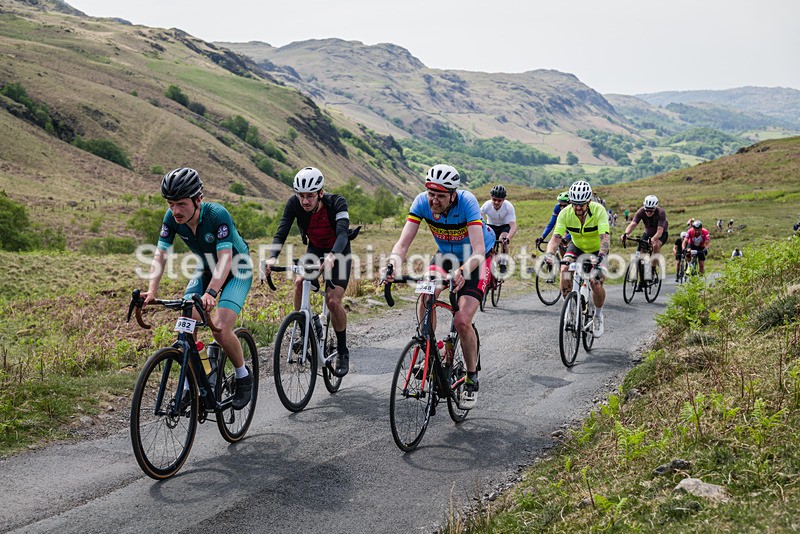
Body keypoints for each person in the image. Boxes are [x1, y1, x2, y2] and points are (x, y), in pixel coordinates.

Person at [143, 167, 253, 409]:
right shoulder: (171, 218)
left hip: (237, 269)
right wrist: (151, 291)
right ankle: (192, 383)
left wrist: (211, 293)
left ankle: (244, 376)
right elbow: (161, 254)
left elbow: (225, 258)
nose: (176, 211)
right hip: (206, 268)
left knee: (220, 329)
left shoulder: (217, 215)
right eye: (171, 204)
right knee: (186, 324)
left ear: (198, 199)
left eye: (181, 204)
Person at [386, 164, 495, 409]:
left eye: (441, 196)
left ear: (453, 195)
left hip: (476, 259)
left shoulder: (467, 202)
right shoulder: (421, 203)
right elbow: (402, 245)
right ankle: (428, 348)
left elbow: (478, 250)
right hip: (446, 255)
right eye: (431, 194)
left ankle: (471, 377)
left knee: (462, 320)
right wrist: (392, 265)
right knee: (426, 293)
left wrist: (462, 272)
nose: (434, 201)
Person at [262, 167, 355, 377]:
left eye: (310, 196)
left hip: (339, 252)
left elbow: (342, 234)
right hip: (314, 250)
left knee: (332, 301)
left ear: (320, 193)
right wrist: (272, 257)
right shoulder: (293, 203)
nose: (305, 201)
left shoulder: (337, 202)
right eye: (301, 196)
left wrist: (332, 255)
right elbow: (282, 230)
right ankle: (307, 329)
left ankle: (342, 351)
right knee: (299, 282)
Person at [544, 180, 610, 337]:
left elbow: (605, 238)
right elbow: (556, 237)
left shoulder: (598, 210)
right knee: (565, 269)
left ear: (589, 201)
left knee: (596, 283)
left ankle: (598, 315)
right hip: (577, 247)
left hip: (597, 249)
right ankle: (570, 306)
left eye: (581, 204)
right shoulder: (565, 213)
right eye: (575, 204)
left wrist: (601, 256)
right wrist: (549, 255)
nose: (578, 208)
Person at [621, 195, 669, 278]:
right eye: (647, 210)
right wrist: (626, 234)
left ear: (655, 208)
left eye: (651, 211)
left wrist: (652, 239)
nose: (649, 212)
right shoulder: (641, 211)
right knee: (640, 256)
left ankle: (652, 270)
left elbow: (659, 231)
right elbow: (633, 224)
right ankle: (641, 281)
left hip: (661, 234)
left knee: (656, 246)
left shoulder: (661, 212)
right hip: (647, 233)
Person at [480, 184, 517, 273]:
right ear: (491, 198)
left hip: (504, 226)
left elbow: (513, 226)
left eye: (499, 200)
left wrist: (508, 239)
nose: (496, 202)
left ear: (503, 200)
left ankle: (503, 264)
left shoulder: (508, 206)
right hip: (490, 225)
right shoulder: (487, 205)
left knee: (502, 239)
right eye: (494, 199)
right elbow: (477, 217)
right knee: (486, 242)